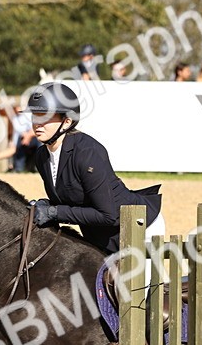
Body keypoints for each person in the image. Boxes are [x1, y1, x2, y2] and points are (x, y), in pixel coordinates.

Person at [27, 82, 163, 255]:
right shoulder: (42, 156)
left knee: (137, 284)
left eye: (45, 117)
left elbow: (108, 215)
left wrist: (55, 212)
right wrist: (47, 204)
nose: (37, 123)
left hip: (139, 229)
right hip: (100, 238)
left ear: (67, 121)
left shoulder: (87, 152)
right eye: (35, 116)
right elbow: (75, 199)